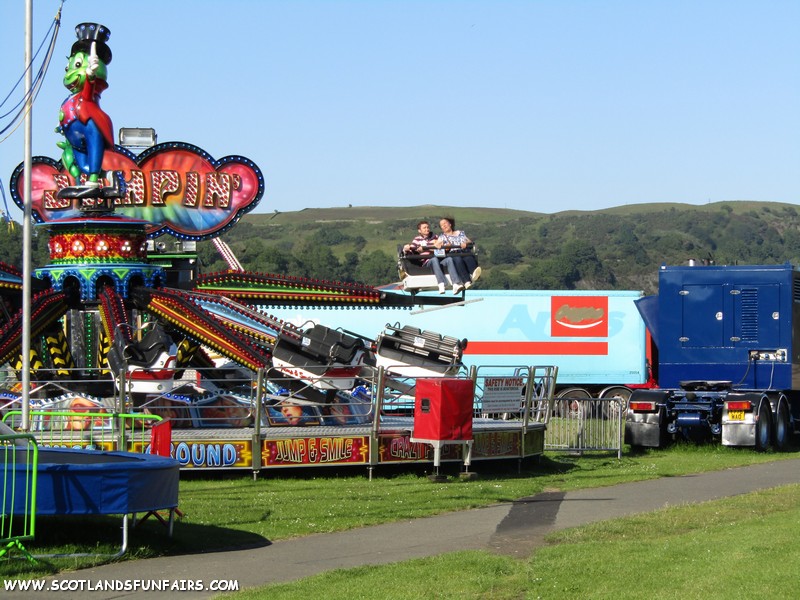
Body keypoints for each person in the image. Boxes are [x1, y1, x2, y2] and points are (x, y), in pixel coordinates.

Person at [402, 220, 452, 294]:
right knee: (434, 259)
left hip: (439, 258)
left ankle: (456, 282)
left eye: (428, 227)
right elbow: (411, 249)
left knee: (449, 259)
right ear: (419, 230)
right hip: (427, 261)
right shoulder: (417, 240)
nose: (427, 229)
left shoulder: (435, 237)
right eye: (424, 228)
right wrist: (406, 249)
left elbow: (443, 245)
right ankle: (441, 283)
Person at [436, 217, 482, 293]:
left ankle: (474, 273)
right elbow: (437, 245)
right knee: (458, 260)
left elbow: (469, 241)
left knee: (468, 257)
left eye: (445, 223)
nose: (444, 226)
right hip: (453, 252)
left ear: (450, 224)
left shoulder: (460, 233)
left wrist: (465, 243)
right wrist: (442, 245)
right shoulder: (442, 237)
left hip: (463, 251)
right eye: (442, 225)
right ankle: (466, 281)